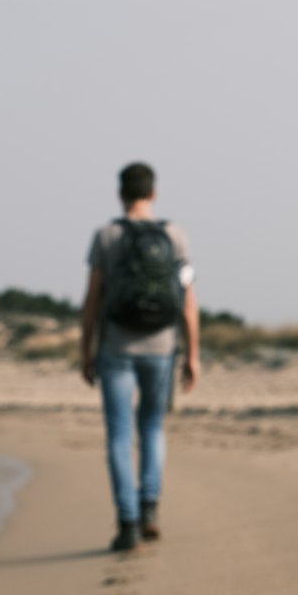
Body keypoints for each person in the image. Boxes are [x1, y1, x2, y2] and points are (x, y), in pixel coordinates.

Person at [80, 161, 201, 552]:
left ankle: (128, 524)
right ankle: (150, 509)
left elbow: (93, 300)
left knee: (118, 435)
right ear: (153, 194)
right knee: (151, 428)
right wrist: (193, 354)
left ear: (120, 194)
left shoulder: (107, 236)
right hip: (162, 348)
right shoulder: (176, 235)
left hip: (116, 348)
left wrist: (86, 349)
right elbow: (188, 300)